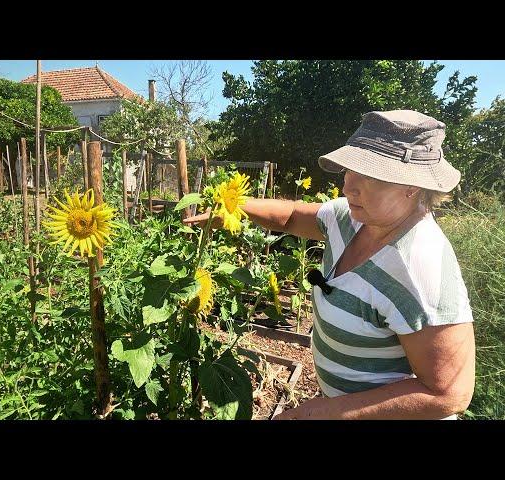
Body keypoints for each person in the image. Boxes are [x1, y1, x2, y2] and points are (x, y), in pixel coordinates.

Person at [184, 110, 475, 420]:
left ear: (412, 187)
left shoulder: (421, 268)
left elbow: (449, 393)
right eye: (350, 168)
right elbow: (292, 216)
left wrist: (324, 412)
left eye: (370, 175)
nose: (348, 184)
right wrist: (233, 209)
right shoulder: (351, 217)